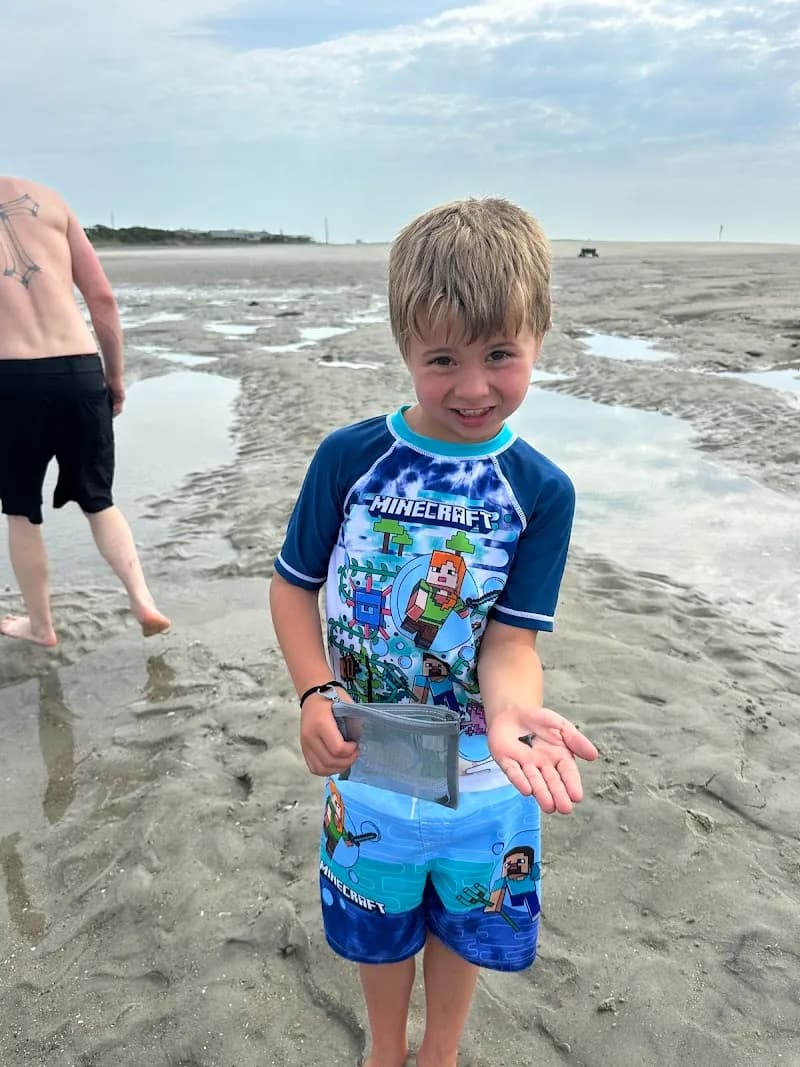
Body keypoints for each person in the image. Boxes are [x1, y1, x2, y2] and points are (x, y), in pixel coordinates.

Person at [269, 196, 598, 1067]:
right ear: (405, 347)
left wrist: (511, 713)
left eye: (500, 355)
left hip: (488, 780)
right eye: (442, 359)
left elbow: (511, 642)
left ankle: (441, 1051)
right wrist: (313, 689)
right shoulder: (350, 459)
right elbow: (294, 587)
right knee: (379, 923)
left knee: (465, 918)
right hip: (370, 764)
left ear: (538, 338)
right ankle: (385, 1049)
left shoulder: (541, 491)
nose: (473, 387)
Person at [0, 175, 170, 646]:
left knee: (20, 510)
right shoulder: (48, 200)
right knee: (99, 498)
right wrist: (114, 378)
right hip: (77, 369)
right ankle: (142, 598)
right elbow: (103, 300)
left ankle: (41, 626)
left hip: (10, 379)